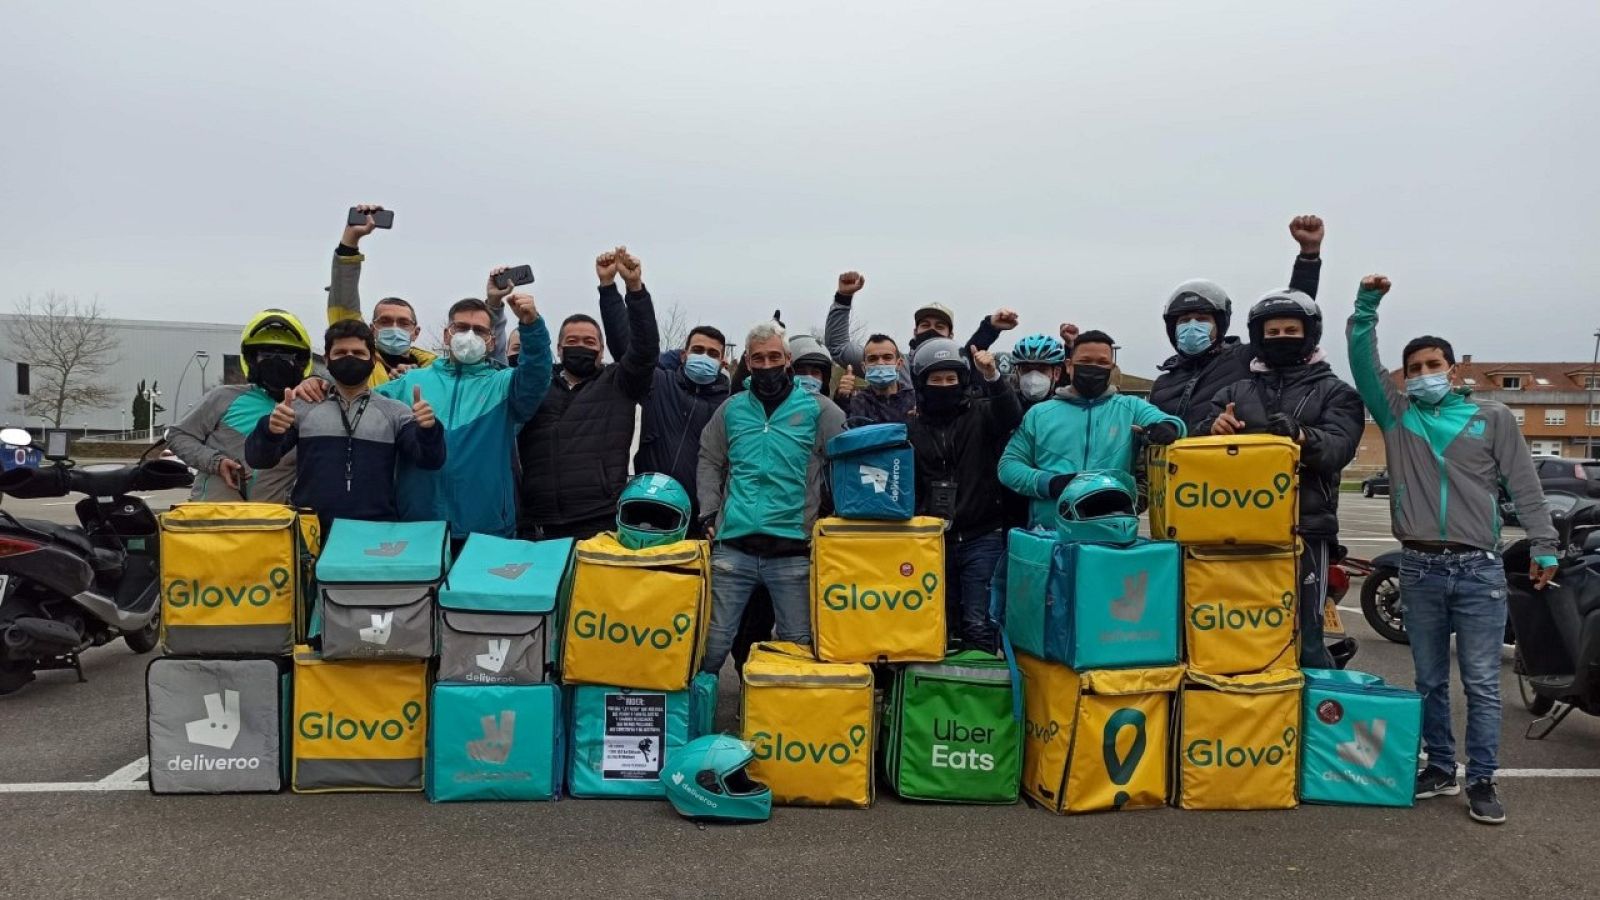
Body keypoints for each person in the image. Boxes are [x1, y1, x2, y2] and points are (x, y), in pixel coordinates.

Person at [1347, 273, 1558, 826]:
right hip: (1418, 567)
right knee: (1429, 679)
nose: (1422, 376)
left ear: (1453, 370)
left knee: (1483, 682)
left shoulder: (1492, 418)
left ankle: (1482, 779)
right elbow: (1362, 361)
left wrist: (1545, 545)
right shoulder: (1398, 417)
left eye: (1432, 366)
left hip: (1478, 569)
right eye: (1412, 368)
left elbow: (1524, 486)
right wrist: (1367, 305)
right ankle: (1440, 768)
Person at [1201, 290, 1365, 670]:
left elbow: (1339, 448)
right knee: (1239, 626)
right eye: (1272, 331)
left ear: (1309, 334)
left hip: (1306, 528)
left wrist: (1303, 436)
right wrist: (1212, 429)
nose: (1282, 336)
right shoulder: (1233, 392)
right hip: (1238, 528)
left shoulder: (1337, 392)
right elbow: (1194, 445)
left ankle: (1310, 717)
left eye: (1291, 329)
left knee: (1306, 634)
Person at [696, 322, 846, 674]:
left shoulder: (820, 410)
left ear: (788, 359)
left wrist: (829, 519)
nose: (766, 365)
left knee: (797, 647)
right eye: (759, 358)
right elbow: (709, 458)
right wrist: (709, 513)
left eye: (774, 356)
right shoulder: (731, 410)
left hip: (793, 551)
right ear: (746, 361)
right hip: (734, 550)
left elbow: (847, 464)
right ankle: (697, 717)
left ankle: (787, 722)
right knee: (712, 646)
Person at [516, 247, 659, 542]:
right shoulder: (535, 385)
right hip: (537, 523)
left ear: (601, 349)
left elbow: (643, 349)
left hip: (597, 520)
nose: (580, 346)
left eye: (589, 341)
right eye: (572, 340)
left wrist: (625, 288)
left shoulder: (618, 382)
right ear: (558, 348)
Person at [245, 321, 445, 530]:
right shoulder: (302, 407)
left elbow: (430, 460)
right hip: (311, 530)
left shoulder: (396, 412)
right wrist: (270, 430)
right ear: (327, 359)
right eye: (340, 353)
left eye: (358, 353)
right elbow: (258, 459)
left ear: (372, 359)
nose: (350, 358)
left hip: (374, 531)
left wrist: (429, 429)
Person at [1151, 215, 1328, 433]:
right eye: (1184, 320)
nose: (1192, 325)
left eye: (1203, 319)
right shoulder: (1161, 386)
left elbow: (1290, 314)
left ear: (1221, 325)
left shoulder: (1244, 359)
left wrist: (1308, 257)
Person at [999, 330, 1186, 526]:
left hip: (1111, 532)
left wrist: (1167, 428)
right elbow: (1009, 466)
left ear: (1111, 367)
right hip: (1049, 535)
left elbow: (1173, 424)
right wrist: (1050, 484)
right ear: (1069, 366)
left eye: (1102, 363)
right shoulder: (1039, 414)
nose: (1093, 367)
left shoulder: (1131, 407)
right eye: (1086, 361)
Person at [906, 338, 1021, 650]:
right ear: (922, 383)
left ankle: (979, 692)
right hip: (930, 540)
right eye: (936, 379)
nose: (944, 385)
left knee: (979, 623)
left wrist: (993, 377)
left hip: (981, 536)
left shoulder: (983, 414)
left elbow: (1011, 415)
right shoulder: (911, 426)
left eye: (951, 379)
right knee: (935, 622)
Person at [168, 309, 314, 502]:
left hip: (272, 524)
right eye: (266, 355)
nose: (276, 363)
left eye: (287, 357)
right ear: (251, 360)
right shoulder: (223, 397)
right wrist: (215, 462)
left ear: (302, 362)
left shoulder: (309, 410)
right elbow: (178, 435)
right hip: (213, 520)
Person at [824, 270, 1017, 387]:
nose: (930, 330)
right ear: (915, 331)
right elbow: (839, 347)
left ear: (950, 336)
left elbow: (968, 354)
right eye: (925, 325)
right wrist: (843, 298)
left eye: (939, 326)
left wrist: (990, 327)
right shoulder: (891, 363)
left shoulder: (959, 368)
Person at [328, 204, 437, 385]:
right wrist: (350, 240)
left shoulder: (435, 371)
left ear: (416, 332)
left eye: (403, 323)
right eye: (385, 321)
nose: (394, 328)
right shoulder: (360, 361)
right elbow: (343, 304)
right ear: (372, 329)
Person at [833, 334, 917, 425]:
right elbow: (840, 427)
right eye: (872, 359)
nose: (880, 363)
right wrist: (842, 398)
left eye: (887, 357)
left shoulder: (916, 400)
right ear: (864, 367)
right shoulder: (857, 402)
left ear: (899, 364)